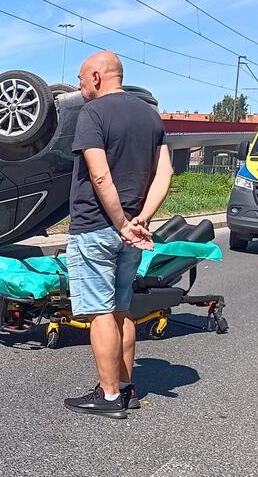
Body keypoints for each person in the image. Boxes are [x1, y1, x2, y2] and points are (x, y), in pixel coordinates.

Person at [62, 51, 172, 419]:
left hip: (97, 227)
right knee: (122, 310)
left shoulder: (92, 114)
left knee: (99, 313)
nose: (78, 85)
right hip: (131, 234)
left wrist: (121, 222)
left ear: (96, 76)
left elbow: (99, 175)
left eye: (80, 78)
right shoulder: (150, 114)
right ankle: (126, 388)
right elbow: (165, 174)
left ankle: (108, 397)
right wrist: (141, 218)